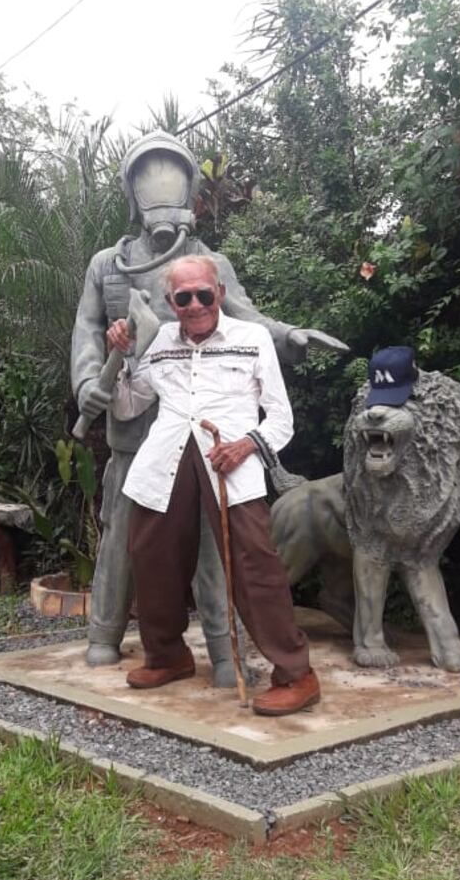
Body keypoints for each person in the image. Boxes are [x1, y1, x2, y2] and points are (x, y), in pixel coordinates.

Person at [71, 129, 347, 681]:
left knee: (216, 549)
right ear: (133, 196)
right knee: (131, 540)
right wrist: (86, 383)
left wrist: (290, 336)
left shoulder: (208, 263)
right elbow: (87, 330)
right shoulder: (109, 264)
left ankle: (225, 654)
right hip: (140, 431)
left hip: (214, 439)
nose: (193, 302)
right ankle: (111, 636)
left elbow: (247, 321)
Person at [107, 253, 321, 718]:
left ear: (219, 293)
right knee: (152, 558)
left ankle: (296, 674)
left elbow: (281, 417)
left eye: (204, 294)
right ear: (171, 302)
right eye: (184, 298)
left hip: (230, 462)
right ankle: (168, 656)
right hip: (164, 460)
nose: (196, 304)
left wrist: (248, 445)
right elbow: (128, 406)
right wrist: (123, 357)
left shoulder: (252, 338)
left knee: (254, 567)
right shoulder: (161, 340)